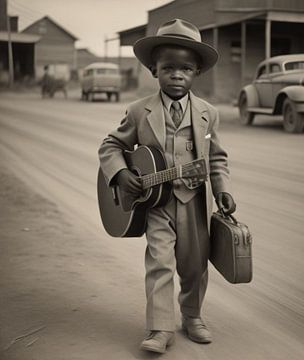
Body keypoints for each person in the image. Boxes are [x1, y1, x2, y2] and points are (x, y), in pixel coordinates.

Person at [98, 18, 236, 354]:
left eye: (186, 69)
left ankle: (192, 316)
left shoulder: (208, 115)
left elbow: (216, 158)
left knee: (194, 263)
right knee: (159, 261)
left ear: (197, 72)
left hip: (194, 202)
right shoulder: (138, 112)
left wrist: (221, 190)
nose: (177, 75)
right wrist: (120, 174)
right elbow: (110, 145)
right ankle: (159, 327)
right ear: (153, 71)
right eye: (168, 68)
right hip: (157, 204)